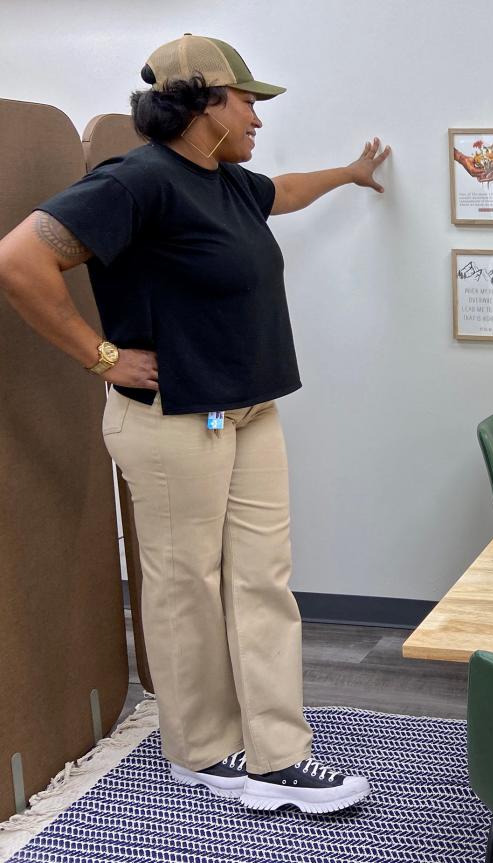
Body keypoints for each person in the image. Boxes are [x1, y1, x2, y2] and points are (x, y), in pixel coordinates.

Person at [0, 34, 391, 814]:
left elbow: (284, 190)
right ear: (202, 100)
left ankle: (279, 754)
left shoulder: (230, 183)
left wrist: (349, 175)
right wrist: (101, 354)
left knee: (263, 581)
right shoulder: (134, 181)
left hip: (247, 409)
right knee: (185, 586)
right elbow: (18, 260)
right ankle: (202, 749)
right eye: (247, 100)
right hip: (173, 421)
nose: (257, 115)